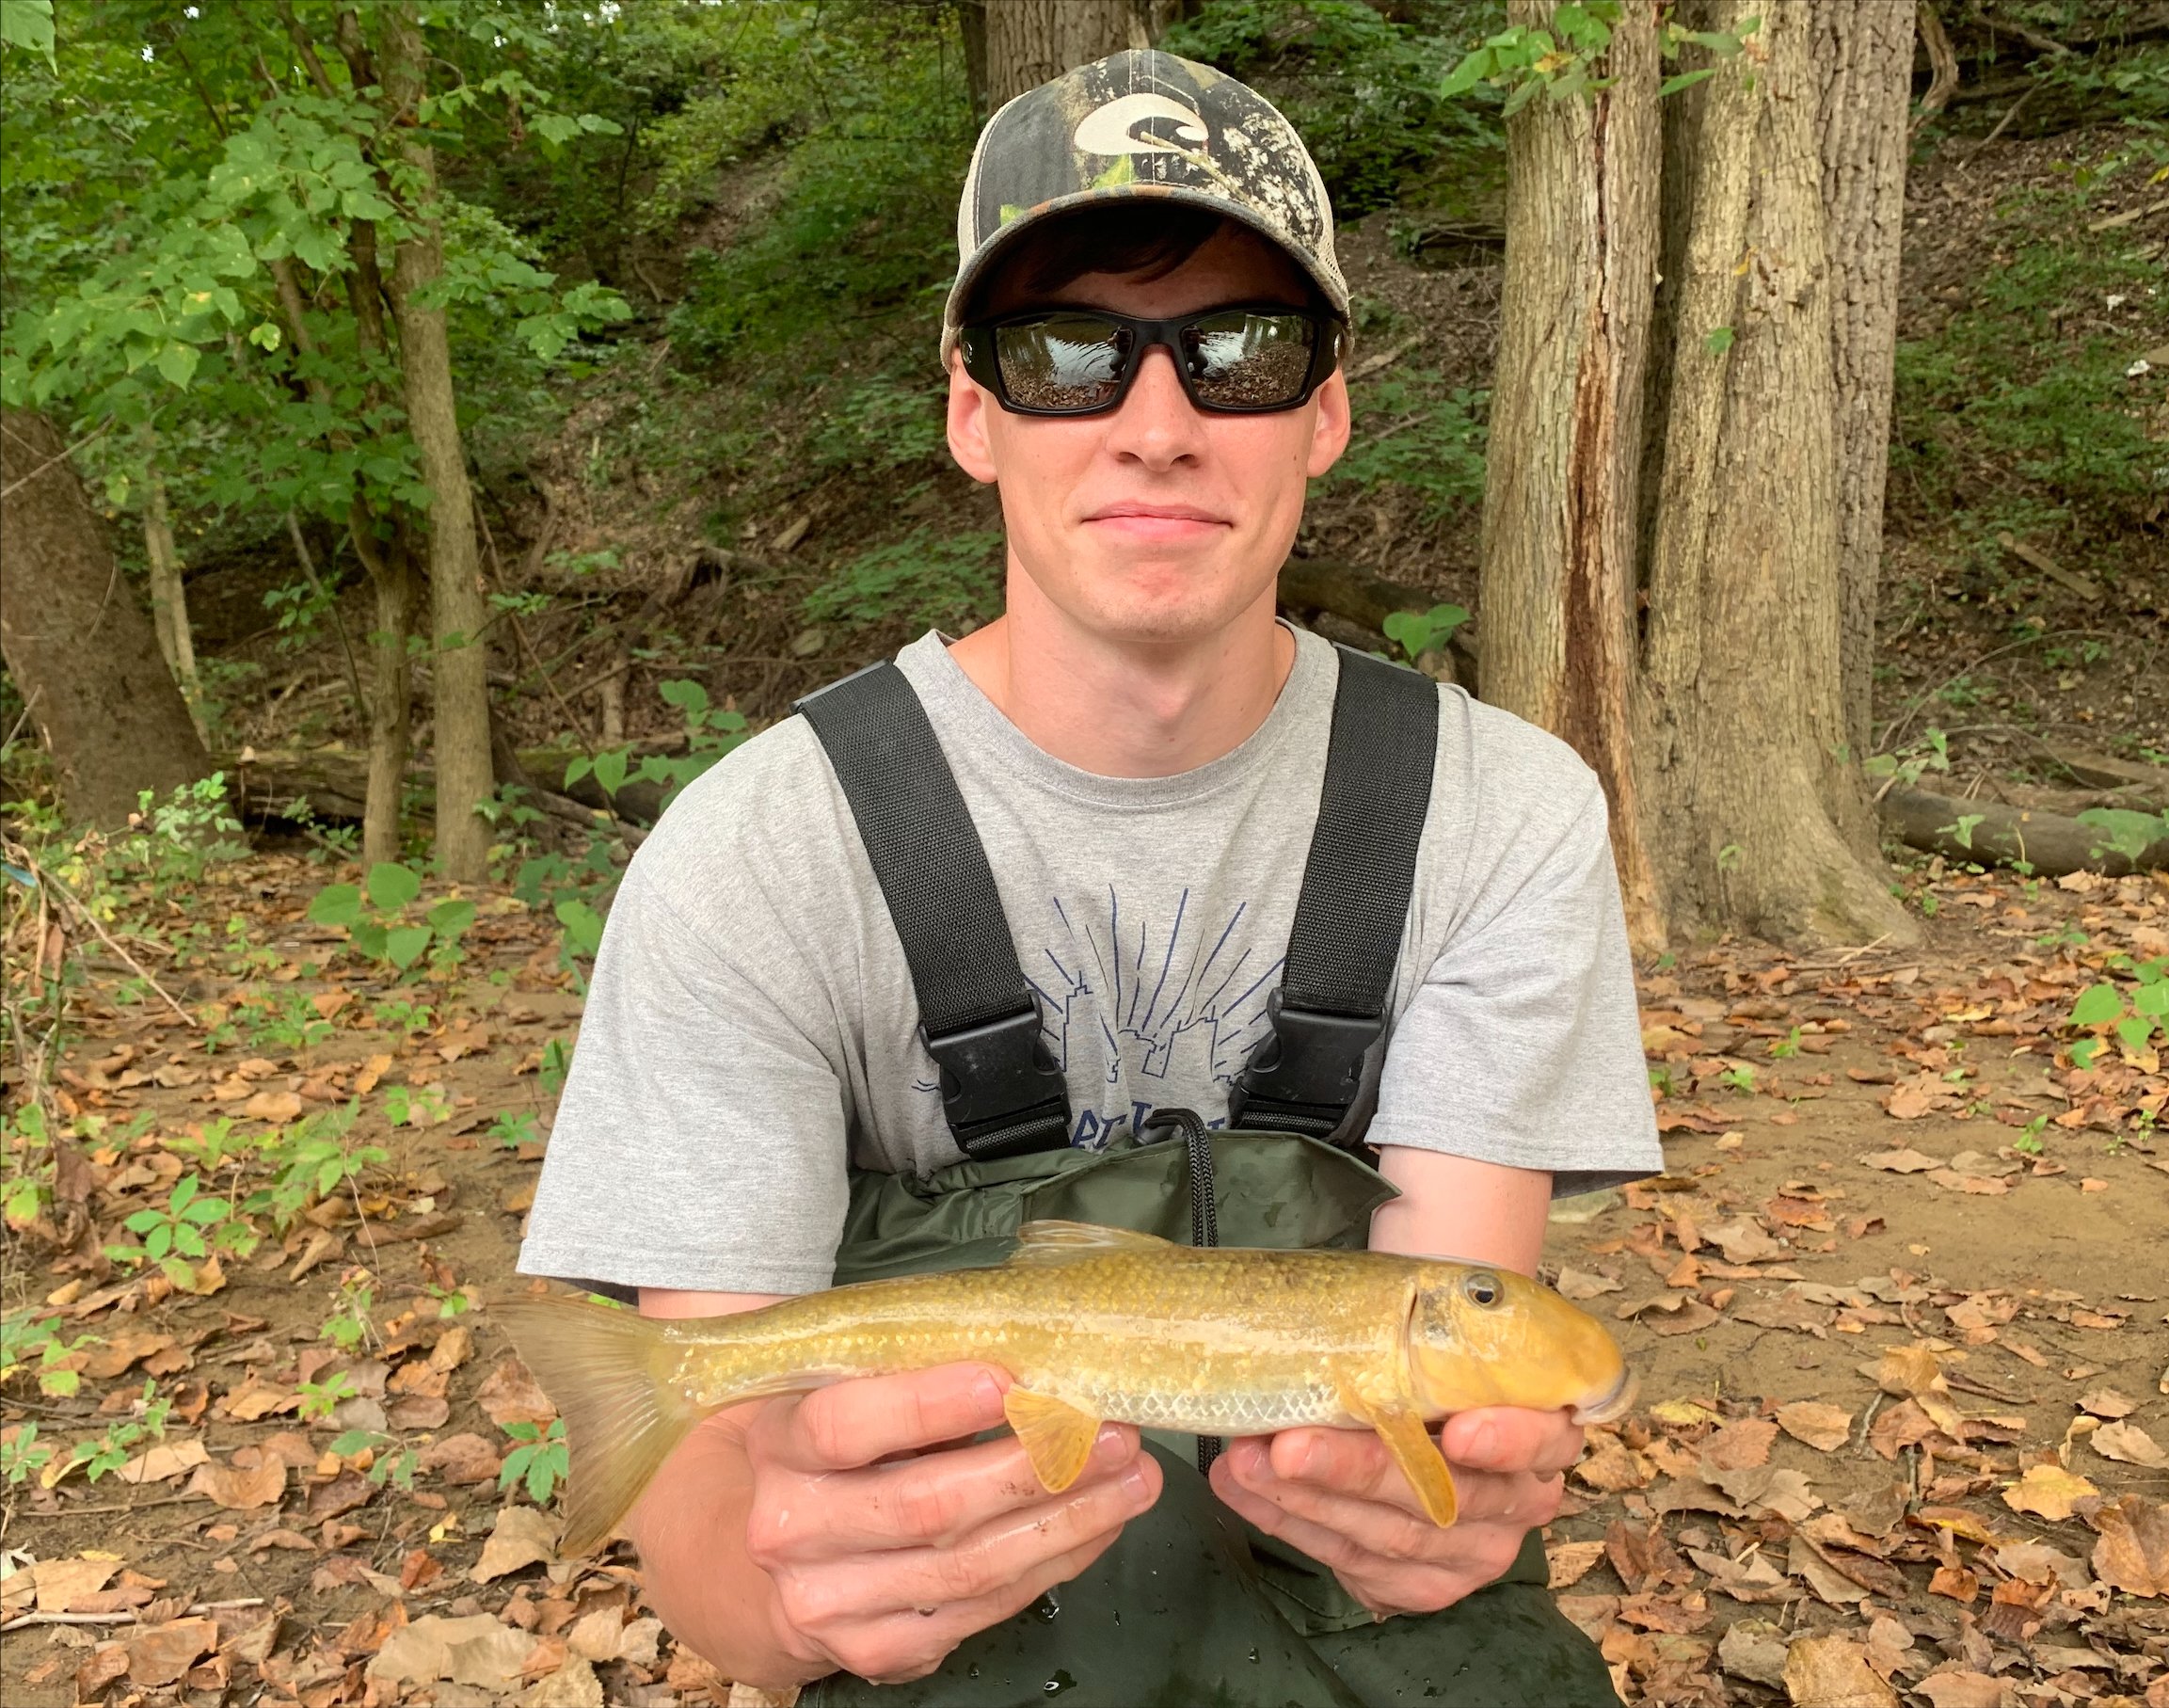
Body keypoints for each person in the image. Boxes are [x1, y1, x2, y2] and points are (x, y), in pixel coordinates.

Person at [519, 48, 1661, 1708]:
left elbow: (1464, 1344)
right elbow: (713, 1554)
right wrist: (808, 1604)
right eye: (1066, 354)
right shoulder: (755, 856)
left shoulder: (1499, 812)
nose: (1157, 428)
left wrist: (1450, 1515)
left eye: (1241, 351)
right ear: (970, 414)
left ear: (1327, 411)